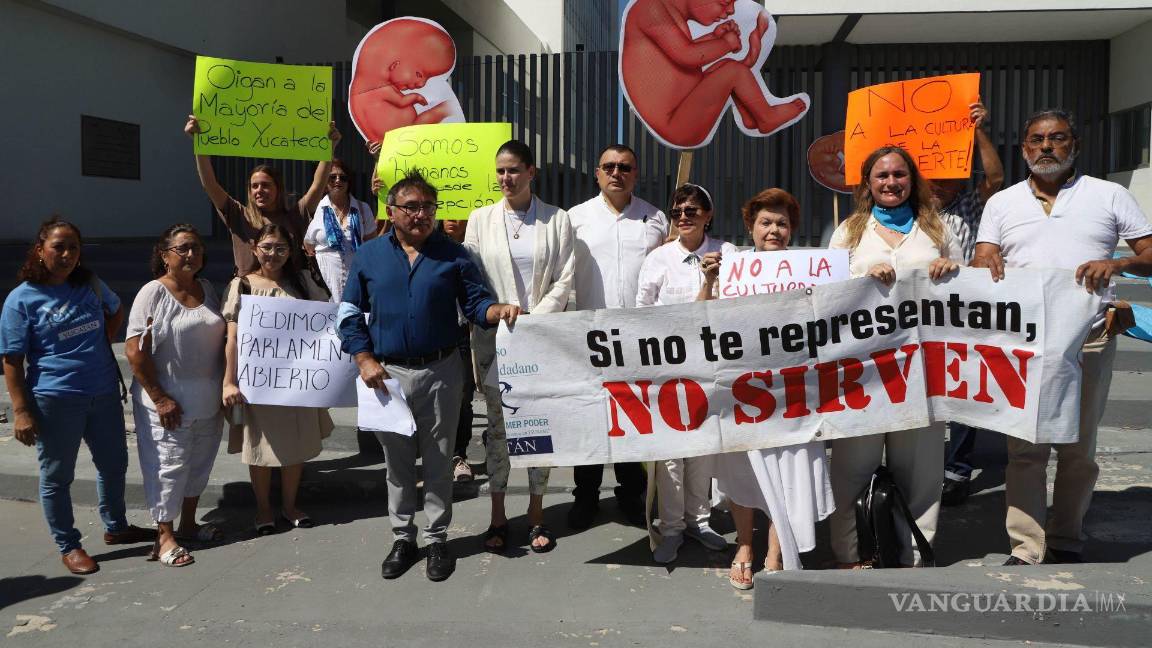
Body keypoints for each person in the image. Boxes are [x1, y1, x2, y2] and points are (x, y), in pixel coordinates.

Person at [971, 109, 1152, 565]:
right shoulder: (1003, 203)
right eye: (1036, 140)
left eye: (1056, 138)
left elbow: (1150, 254)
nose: (1046, 147)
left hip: (1089, 338)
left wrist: (1118, 264)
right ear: (1025, 147)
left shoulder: (1110, 196)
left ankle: (1067, 537)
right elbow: (983, 256)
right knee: (1025, 450)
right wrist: (986, 263)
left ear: (1075, 145)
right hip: (1024, 344)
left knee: (1078, 449)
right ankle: (1027, 547)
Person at [339, 170, 520, 582]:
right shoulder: (369, 256)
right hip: (387, 376)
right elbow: (348, 314)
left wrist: (498, 311)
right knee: (398, 464)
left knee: (439, 460)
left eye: (429, 207)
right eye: (413, 207)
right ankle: (403, 537)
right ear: (393, 210)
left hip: (442, 370)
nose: (422, 215)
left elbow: (477, 305)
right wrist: (364, 358)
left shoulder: (453, 255)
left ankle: (438, 539)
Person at [827, 146, 962, 568]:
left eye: (899, 174)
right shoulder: (848, 232)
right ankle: (852, 553)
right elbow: (827, 296)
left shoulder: (939, 228)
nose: (890, 182)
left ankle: (914, 553)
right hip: (862, 370)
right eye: (881, 175)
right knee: (851, 467)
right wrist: (860, 278)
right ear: (868, 183)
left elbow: (967, 291)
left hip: (923, 370)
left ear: (912, 179)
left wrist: (948, 268)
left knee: (921, 470)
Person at [1, 217, 155, 575]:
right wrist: (22, 412)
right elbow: (11, 359)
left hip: (102, 392)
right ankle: (68, 544)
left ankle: (116, 527)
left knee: (114, 464)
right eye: (59, 246)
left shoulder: (89, 283)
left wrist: (101, 342)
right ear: (40, 250)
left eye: (73, 247)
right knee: (57, 476)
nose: (67, 254)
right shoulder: (21, 299)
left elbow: (115, 310)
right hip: (55, 398)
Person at [701, 189, 835, 587]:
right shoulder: (732, 268)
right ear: (750, 227)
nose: (773, 230)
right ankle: (745, 545)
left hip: (794, 393)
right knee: (742, 468)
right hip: (742, 391)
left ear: (792, 230)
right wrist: (709, 281)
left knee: (788, 470)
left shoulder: (813, 270)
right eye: (766, 222)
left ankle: (776, 553)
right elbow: (699, 320)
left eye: (782, 223)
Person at [464, 140, 575, 554]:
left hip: (540, 336)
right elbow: (472, 278)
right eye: (500, 171)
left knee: (537, 425)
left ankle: (535, 512)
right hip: (495, 339)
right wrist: (496, 311)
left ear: (531, 171)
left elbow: (565, 278)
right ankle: (497, 514)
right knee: (498, 427)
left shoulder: (557, 220)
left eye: (513, 170)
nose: (506, 178)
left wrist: (534, 317)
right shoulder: (480, 220)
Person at [567, 144, 670, 530]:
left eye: (624, 167)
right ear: (597, 173)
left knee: (632, 417)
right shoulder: (575, 218)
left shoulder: (655, 218)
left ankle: (631, 493)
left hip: (638, 339)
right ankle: (586, 496)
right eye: (608, 166)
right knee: (591, 419)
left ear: (635, 174)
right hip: (589, 334)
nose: (616, 173)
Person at [635, 183, 734, 563]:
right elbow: (641, 312)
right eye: (677, 212)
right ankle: (672, 526)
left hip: (712, 369)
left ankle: (700, 520)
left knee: (704, 449)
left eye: (692, 210)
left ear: (708, 215)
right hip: (668, 370)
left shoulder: (728, 253)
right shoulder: (658, 258)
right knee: (671, 455)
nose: (684, 217)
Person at [221, 224, 333, 536]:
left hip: (295, 382)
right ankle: (264, 509)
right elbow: (232, 337)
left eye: (281, 248)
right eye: (268, 247)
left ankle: (290, 505)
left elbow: (325, 322)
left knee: (293, 445)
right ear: (255, 248)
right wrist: (229, 382)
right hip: (257, 382)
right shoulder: (241, 285)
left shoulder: (303, 283)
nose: (273, 254)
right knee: (259, 448)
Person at [125, 224, 225, 567]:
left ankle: (188, 524)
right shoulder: (152, 293)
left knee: (199, 464)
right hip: (167, 402)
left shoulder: (209, 288)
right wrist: (159, 397)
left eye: (196, 248)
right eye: (182, 248)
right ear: (164, 255)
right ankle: (164, 536)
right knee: (168, 467)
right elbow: (135, 351)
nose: (191, 254)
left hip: (207, 399)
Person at [932, 102, 1005, 506]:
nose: (940, 183)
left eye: (949, 175)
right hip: (918, 314)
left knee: (962, 390)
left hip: (964, 310)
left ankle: (956, 470)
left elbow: (995, 177)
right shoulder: (908, 210)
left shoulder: (972, 205)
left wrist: (976, 130)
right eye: (932, 175)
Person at [620, 0, 807, 147]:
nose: (731, 11)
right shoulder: (649, 8)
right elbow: (687, 56)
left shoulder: (664, 11)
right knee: (732, 71)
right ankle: (767, 117)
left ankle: (752, 116)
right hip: (677, 125)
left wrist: (713, 38)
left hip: (681, 111)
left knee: (727, 66)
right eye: (725, 3)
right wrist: (726, 44)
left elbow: (678, 56)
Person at [183, 115, 340, 275]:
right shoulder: (239, 215)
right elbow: (210, 184)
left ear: (278, 188)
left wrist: (329, 147)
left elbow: (317, 186)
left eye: (265, 185)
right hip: (249, 294)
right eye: (254, 186)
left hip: (288, 294)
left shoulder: (295, 216)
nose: (259, 190)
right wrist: (199, 145)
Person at [304, 158, 378, 301]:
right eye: (332, 177)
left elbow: (371, 246)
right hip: (325, 282)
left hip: (356, 280)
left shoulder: (363, 208)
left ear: (349, 182)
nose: (338, 181)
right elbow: (308, 245)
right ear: (325, 181)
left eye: (343, 178)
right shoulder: (315, 208)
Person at [441, 219, 477, 482]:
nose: (452, 217)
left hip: (463, 330)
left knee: (463, 396)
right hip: (434, 330)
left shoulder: (476, 249)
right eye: (446, 211)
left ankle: (458, 455)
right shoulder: (429, 247)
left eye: (459, 211)